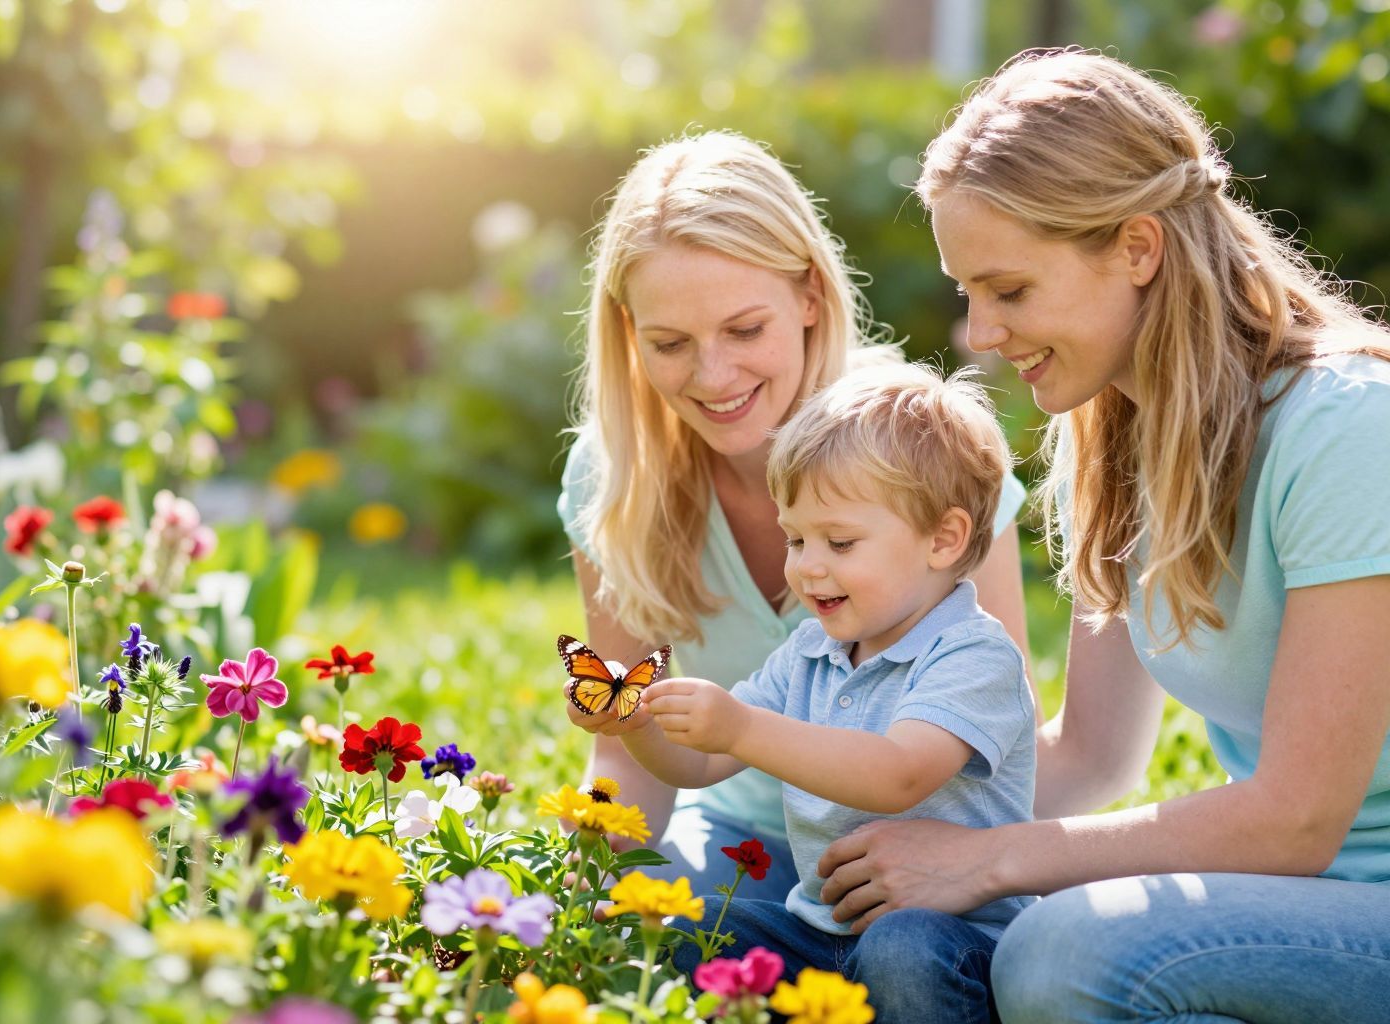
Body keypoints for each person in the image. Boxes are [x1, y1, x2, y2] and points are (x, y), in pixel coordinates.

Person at [811, 49, 1390, 1023]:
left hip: (1350, 902)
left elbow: (1296, 819)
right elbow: (1090, 756)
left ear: (1136, 249)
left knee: (1062, 949)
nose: (980, 335)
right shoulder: (1115, 446)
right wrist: (879, 822)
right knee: (920, 942)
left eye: (1010, 290)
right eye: (968, 295)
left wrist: (993, 857)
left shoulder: (1346, 427)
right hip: (1291, 908)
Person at [557, 130, 1033, 897]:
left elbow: (997, 724)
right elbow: (624, 758)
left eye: (746, 330)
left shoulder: (926, 450)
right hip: (735, 847)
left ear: (810, 296)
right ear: (628, 334)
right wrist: (578, 900)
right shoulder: (617, 477)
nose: (715, 377)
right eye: (670, 343)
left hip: (919, 856)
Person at [604, 364, 1036, 1023]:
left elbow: (898, 775)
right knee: (677, 932)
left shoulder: (974, 654)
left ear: (942, 539)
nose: (807, 565)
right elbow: (700, 766)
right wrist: (639, 724)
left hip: (952, 938)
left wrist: (742, 727)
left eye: (839, 541)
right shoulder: (809, 652)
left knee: (900, 950)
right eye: (796, 538)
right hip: (819, 931)